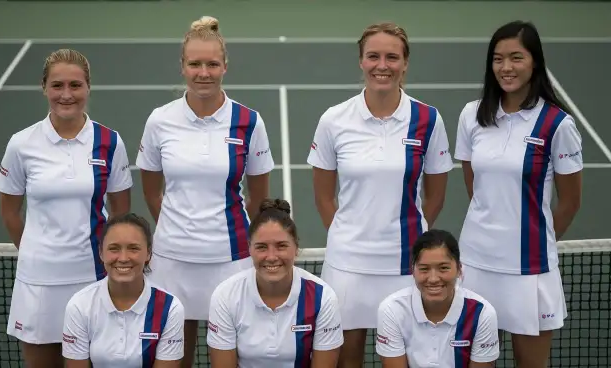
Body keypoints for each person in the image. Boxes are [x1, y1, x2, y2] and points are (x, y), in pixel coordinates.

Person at [306, 22, 453, 367]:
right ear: (361, 61)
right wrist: (348, 237)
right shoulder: (334, 120)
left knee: (407, 358)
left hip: (404, 265)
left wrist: (408, 239)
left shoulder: (428, 120)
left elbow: (435, 197)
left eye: (392, 57)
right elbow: (324, 197)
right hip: (348, 266)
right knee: (346, 359)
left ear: (405, 64)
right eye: (373, 56)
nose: (382, 65)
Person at [135, 15, 275, 367]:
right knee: (173, 358)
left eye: (212, 64)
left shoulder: (249, 121)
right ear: (182, 67)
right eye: (195, 64)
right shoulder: (159, 120)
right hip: (171, 260)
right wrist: (179, 229)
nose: (204, 72)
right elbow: (152, 190)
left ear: (225, 66)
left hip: (231, 260)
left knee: (230, 356)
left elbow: (259, 199)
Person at [454, 20, 583, 367]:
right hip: (475, 262)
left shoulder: (558, 125)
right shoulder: (471, 116)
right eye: (498, 59)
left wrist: (537, 238)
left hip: (530, 269)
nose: (506, 68)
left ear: (535, 62)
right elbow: (475, 187)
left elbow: (570, 202)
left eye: (516, 58)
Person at [0, 48, 133, 367]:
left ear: (88, 87)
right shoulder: (22, 144)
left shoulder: (110, 142)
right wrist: (36, 251)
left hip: (94, 279)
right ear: (44, 88)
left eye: (75, 85)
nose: (66, 94)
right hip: (38, 282)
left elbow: (121, 216)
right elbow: (9, 212)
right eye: (57, 85)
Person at [206, 198, 343, 367]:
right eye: (261, 247)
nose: (271, 257)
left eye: (281, 246)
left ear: (296, 247)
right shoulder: (225, 296)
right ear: (249, 248)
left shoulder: (323, 298)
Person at [62, 213, 185, 367]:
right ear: (101, 253)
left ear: (148, 253)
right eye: (114, 249)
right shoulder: (79, 306)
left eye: (133, 248)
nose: (123, 258)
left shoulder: (170, 308)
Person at [376, 229, 500, 368]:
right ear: (413, 270)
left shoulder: (483, 313)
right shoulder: (391, 309)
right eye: (424, 269)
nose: (433, 279)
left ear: (459, 269)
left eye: (443, 268)